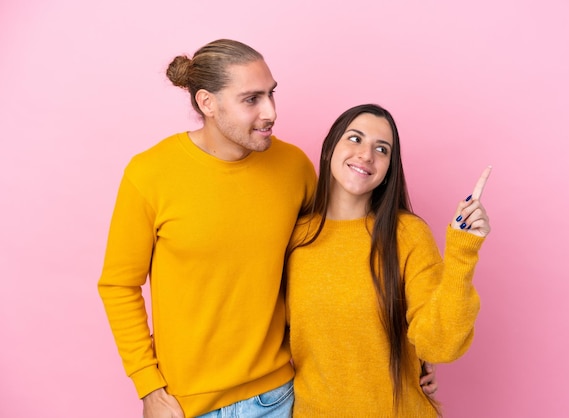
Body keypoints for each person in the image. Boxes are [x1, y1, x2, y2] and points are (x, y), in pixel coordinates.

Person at [98, 40, 439, 418]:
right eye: (252, 99)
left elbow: (335, 262)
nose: (271, 112)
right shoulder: (149, 174)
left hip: (278, 397)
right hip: (185, 405)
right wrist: (149, 387)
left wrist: (413, 359)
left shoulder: (294, 168)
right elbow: (118, 285)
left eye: (272, 94)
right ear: (207, 103)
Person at [285, 104, 491, 417]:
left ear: (387, 171)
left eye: (381, 149)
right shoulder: (293, 236)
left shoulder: (407, 234)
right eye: (355, 139)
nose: (366, 155)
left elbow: (439, 345)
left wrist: (462, 252)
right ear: (329, 150)